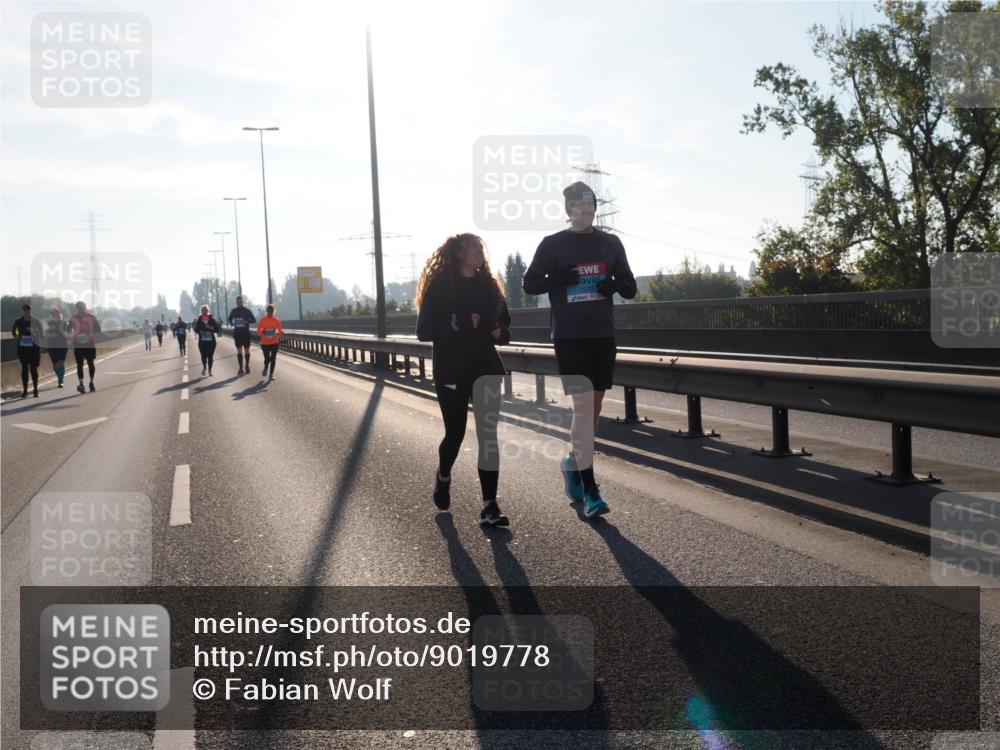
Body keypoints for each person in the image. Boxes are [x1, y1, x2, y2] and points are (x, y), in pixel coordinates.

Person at [523, 181, 637, 519]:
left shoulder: (610, 243)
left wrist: (613, 284)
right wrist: (556, 278)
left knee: (594, 412)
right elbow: (530, 284)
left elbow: (630, 288)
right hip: (570, 337)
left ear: (595, 210)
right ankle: (591, 491)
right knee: (584, 411)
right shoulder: (553, 244)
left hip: (602, 336)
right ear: (569, 209)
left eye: (590, 207)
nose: (585, 212)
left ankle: (572, 464)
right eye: (579, 207)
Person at [416, 233, 512, 527]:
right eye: (474, 248)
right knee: (455, 434)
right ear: (458, 253)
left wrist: (490, 327)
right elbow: (424, 331)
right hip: (452, 369)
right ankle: (443, 476)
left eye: (481, 248)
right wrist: (458, 322)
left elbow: (505, 333)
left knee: (488, 437)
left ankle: (489, 506)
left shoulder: (489, 285)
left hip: (485, 367)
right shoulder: (440, 287)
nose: (480, 253)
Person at [69, 301, 101, 393]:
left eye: (82, 308)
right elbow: (67, 328)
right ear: (77, 309)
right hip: (78, 344)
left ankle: (91, 382)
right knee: (80, 364)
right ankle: (81, 384)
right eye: (79, 308)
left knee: (90, 363)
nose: (81, 309)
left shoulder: (91, 317)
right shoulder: (73, 318)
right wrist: (72, 335)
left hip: (89, 343)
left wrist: (91, 333)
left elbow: (98, 329)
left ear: (85, 308)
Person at [11, 304, 42, 398]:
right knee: (24, 369)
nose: (26, 312)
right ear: (22, 311)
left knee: (33, 369)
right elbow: (14, 331)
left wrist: (33, 331)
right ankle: (25, 391)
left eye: (28, 310)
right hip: (23, 349)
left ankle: (35, 390)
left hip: (34, 349)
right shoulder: (18, 321)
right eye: (24, 310)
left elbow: (42, 334)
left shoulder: (36, 321)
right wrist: (18, 335)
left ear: (31, 311)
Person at [228, 295, 257, 375]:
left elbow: (254, 320)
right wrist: (231, 323)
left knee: (247, 350)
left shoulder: (247, 311)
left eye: (240, 302)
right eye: (237, 302)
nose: (239, 303)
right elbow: (229, 318)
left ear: (243, 302)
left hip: (246, 333)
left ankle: (247, 366)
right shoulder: (234, 311)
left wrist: (247, 322)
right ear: (236, 303)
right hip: (237, 333)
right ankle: (240, 368)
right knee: (239, 351)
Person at [256, 304, 284, 381]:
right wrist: (263, 331)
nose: (270, 312)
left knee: (273, 358)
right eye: (269, 311)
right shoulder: (262, 320)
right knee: (267, 358)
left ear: (274, 311)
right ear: (267, 311)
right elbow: (258, 332)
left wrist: (281, 332)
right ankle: (265, 367)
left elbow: (279, 330)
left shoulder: (276, 320)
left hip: (274, 342)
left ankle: (271, 374)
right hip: (265, 343)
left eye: (272, 311)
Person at [193, 305, 221, 376]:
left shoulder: (212, 319)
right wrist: (201, 332)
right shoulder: (199, 319)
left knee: (210, 356)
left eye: (205, 310)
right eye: (203, 310)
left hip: (211, 342)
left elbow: (217, 330)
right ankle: (204, 368)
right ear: (201, 311)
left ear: (207, 311)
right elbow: (196, 329)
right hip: (202, 342)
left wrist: (210, 328)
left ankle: (210, 370)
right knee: (203, 356)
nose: (204, 312)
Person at [45, 308, 69, 388]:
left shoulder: (64, 323)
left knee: (60, 363)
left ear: (59, 314)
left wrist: (61, 335)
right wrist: (48, 335)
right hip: (52, 345)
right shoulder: (48, 323)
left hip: (62, 345)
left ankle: (60, 381)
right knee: (55, 365)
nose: (52, 315)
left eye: (54, 313)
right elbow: (45, 333)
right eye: (51, 314)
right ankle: (60, 377)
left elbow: (68, 333)